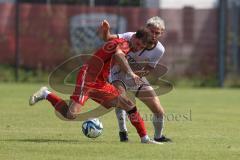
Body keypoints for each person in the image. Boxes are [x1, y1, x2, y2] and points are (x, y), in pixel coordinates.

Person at [29, 27, 161, 144]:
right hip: (88, 78)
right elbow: (119, 55)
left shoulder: (125, 43)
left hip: (101, 82)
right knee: (71, 115)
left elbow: (109, 42)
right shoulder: (124, 44)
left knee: (128, 104)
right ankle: (46, 94)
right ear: (134, 37)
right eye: (138, 44)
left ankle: (144, 138)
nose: (138, 48)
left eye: (141, 47)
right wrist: (131, 74)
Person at [99, 16, 172, 142]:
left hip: (136, 77)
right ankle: (123, 131)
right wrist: (106, 30)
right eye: (151, 31)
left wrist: (136, 75)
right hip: (117, 74)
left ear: (162, 33)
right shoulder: (130, 36)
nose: (153, 35)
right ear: (146, 28)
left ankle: (158, 136)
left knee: (159, 110)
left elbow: (149, 69)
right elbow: (107, 38)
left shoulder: (159, 50)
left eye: (157, 33)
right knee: (123, 101)